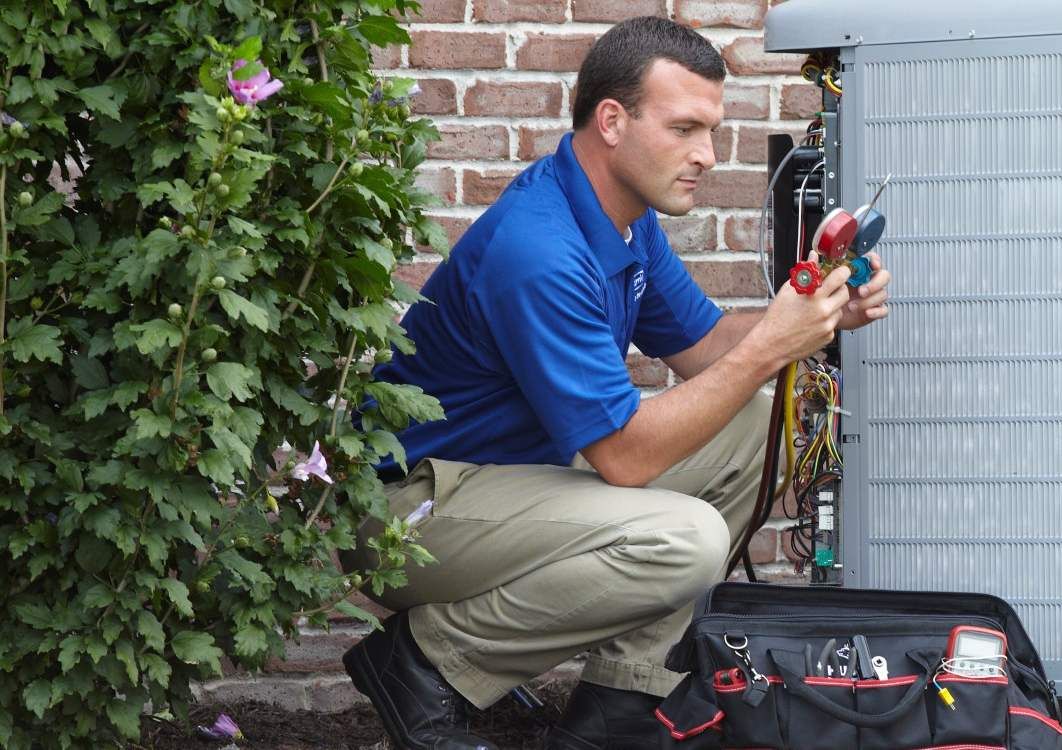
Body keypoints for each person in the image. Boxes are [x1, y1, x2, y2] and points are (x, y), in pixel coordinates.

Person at [337, 17, 890, 750]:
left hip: (511, 481)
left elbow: (702, 350)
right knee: (683, 538)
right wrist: (772, 348)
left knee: (764, 424)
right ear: (612, 121)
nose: (707, 156)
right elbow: (626, 458)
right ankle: (424, 665)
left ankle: (621, 705)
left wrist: (817, 313)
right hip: (409, 513)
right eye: (685, 129)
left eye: (712, 132)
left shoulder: (622, 220)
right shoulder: (540, 248)